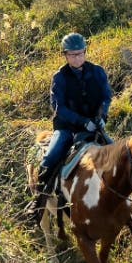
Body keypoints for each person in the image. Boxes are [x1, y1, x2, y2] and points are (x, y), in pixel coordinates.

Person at [26, 32, 113, 224]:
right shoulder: (60, 77)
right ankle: (38, 203)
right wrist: (83, 121)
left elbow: (106, 96)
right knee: (49, 159)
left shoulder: (97, 71)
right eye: (73, 55)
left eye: (81, 53)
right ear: (65, 55)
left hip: (94, 128)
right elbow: (58, 107)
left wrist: (102, 116)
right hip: (67, 129)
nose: (78, 58)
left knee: (122, 157)